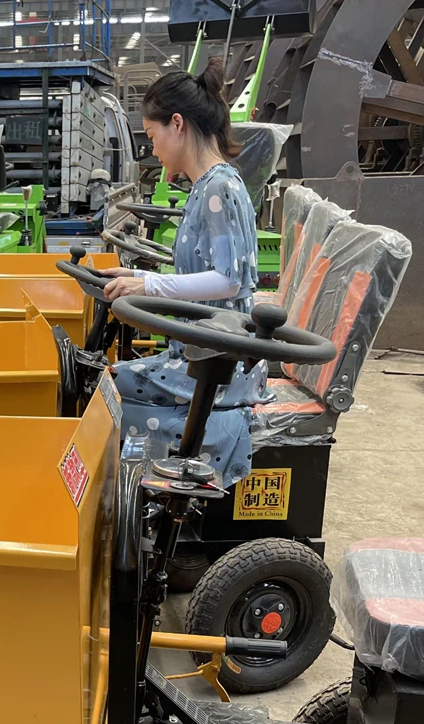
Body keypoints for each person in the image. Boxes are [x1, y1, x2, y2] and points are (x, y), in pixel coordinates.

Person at [101, 58, 270, 486]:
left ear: (177, 124)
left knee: (104, 389)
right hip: (200, 352)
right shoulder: (204, 187)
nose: (153, 149)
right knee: (107, 378)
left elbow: (229, 280)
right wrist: (139, 279)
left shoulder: (219, 188)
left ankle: (136, 491)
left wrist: (151, 283)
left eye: (152, 135)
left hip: (219, 363)